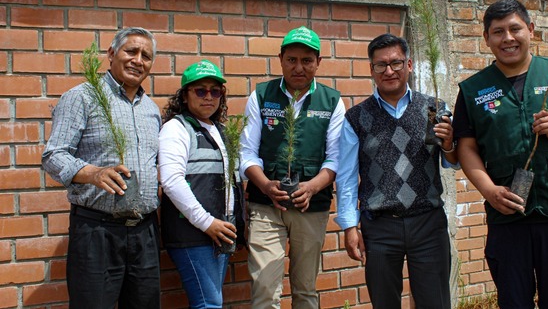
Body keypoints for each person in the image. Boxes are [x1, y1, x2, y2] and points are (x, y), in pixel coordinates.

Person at [452, 0, 548, 309]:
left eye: (514, 29)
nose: (507, 38)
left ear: (530, 31)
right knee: (513, 301)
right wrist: (489, 190)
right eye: (498, 32)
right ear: (487, 39)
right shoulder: (473, 90)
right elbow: (466, 147)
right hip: (507, 214)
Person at [335, 33, 457, 309]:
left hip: (428, 222)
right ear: (372, 70)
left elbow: (452, 162)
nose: (389, 71)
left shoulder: (435, 109)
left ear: (409, 65)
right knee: (384, 303)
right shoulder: (356, 118)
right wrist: (349, 226)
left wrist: (449, 143)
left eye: (396, 63)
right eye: (381, 65)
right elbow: (345, 177)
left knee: (435, 302)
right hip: (379, 226)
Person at [42, 27, 162, 308]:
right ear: (111, 54)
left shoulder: (151, 110)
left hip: (145, 232)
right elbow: (53, 155)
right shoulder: (83, 97)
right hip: (97, 231)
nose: (138, 60)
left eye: (146, 55)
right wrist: (92, 174)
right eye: (130, 51)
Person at [239, 26, 345, 308]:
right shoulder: (261, 96)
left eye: (307, 60)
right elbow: (247, 153)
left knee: (305, 289)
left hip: (312, 206)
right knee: (264, 287)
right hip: (266, 204)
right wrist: (264, 185)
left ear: (318, 62)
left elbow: (335, 158)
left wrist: (312, 187)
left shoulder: (332, 101)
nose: (299, 67)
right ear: (281, 59)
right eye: (292, 60)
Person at [158, 59, 245, 309]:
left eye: (215, 91)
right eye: (200, 90)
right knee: (209, 303)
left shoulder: (221, 130)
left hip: (219, 232)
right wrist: (208, 223)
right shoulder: (177, 129)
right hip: (194, 233)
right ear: (185, 96)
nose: (209, 97)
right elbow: (172, 181)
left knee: (210, 301)